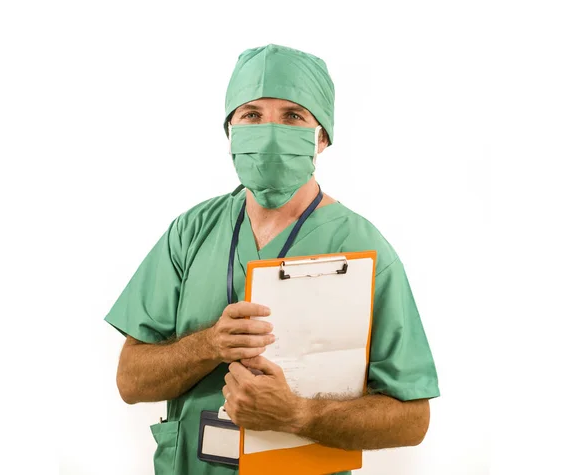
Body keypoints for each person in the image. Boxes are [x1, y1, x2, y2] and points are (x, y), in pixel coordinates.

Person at [105, 44, 440, 475]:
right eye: (251, 115)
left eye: (293, 116)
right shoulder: (191, 232)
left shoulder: (363, 249)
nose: (269, 131)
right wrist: (209, 345)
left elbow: (412, 420)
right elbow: (130, 382)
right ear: (230, 130)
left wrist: (300, 415)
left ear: (322, 136)